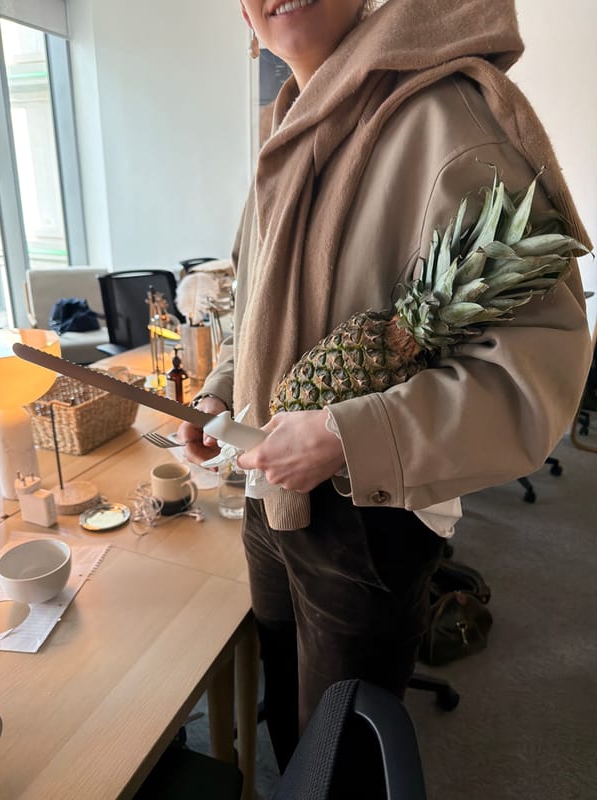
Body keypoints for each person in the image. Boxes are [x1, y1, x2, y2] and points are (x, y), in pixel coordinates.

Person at [179, 0, 592, 774]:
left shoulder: (447, 117)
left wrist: (343, 435)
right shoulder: (286, 129)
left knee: (342, 763)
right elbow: (256, 296)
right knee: (292, 723)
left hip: (365, 513)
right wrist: (219, 388)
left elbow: (535, 372)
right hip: (271, 492)